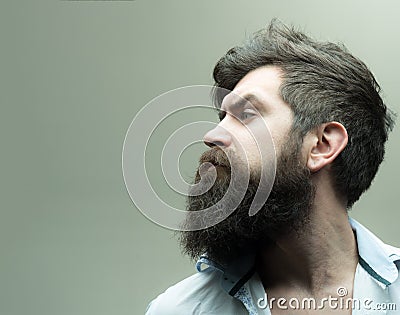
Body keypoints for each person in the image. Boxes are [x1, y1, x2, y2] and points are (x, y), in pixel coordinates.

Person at [145, 20, 400, 314]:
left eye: (247, 114)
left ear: (322, 145)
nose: (212, 135)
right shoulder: (180, 309)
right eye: (222, 116)